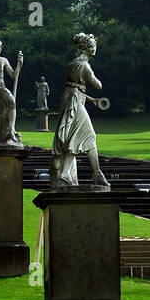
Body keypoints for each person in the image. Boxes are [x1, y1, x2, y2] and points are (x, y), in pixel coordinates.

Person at [50, 32, 109, 189]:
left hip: (73, 99)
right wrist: (94, 78)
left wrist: (92, 101)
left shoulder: (73, 63)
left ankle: (65, 173)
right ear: (86, 47)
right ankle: (97, 173)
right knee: (89, 135)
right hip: (74, 102)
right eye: (92, 46)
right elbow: (98, 85)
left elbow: (75, 88)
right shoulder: (84, 65)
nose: (94, 49)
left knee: (74, 136)